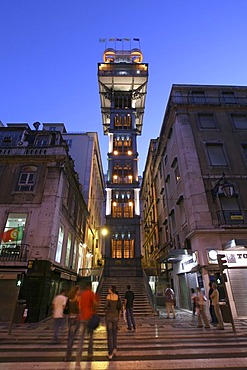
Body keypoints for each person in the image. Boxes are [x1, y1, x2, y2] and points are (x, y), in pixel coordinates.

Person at [76, 282, 99, 363]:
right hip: (90, 317)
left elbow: (79, 306)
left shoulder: (82, 295)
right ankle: (90, 353)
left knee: (81, 337)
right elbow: (96, 303)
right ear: (90, 286)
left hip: (82, 317)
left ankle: (78, 355)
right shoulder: (91, 293)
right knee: (90, 337)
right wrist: (94, 311)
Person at [104, 285, 121, 359]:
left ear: (111, 290)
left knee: (109, 335)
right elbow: (119, 307)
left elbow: (105, 306)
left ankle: (110, 353)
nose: (108, 289)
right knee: (114, 334)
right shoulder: (117, 297)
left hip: (109, 317)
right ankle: (114, 349)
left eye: (109, 288)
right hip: (115, 316)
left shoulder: (108, 296)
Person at [64, 285, 80, 362]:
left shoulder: (69, 299)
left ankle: (67, 355)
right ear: (77, 291)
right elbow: (79, 309)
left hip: (70, 317)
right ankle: (68, 355)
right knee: (72, 337)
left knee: (70, 337)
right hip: (76, 318)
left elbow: (65, 308)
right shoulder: (78, 298)